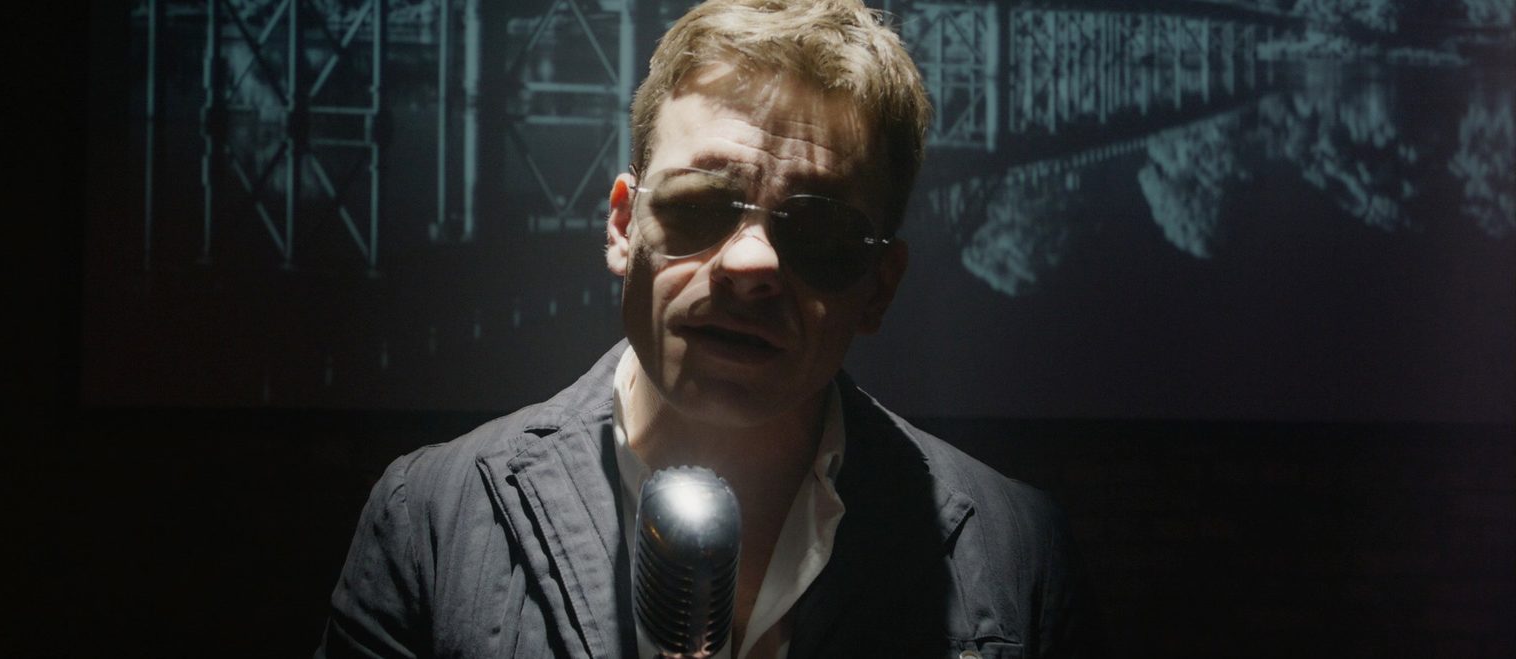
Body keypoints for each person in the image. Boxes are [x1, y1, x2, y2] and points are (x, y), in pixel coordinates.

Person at [317, 1, 1095, 656]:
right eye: (698, 206)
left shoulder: (1020, 557)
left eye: (819, 232)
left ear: (879, 286)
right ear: (623, 225)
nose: (751, 263)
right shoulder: (431, 519)